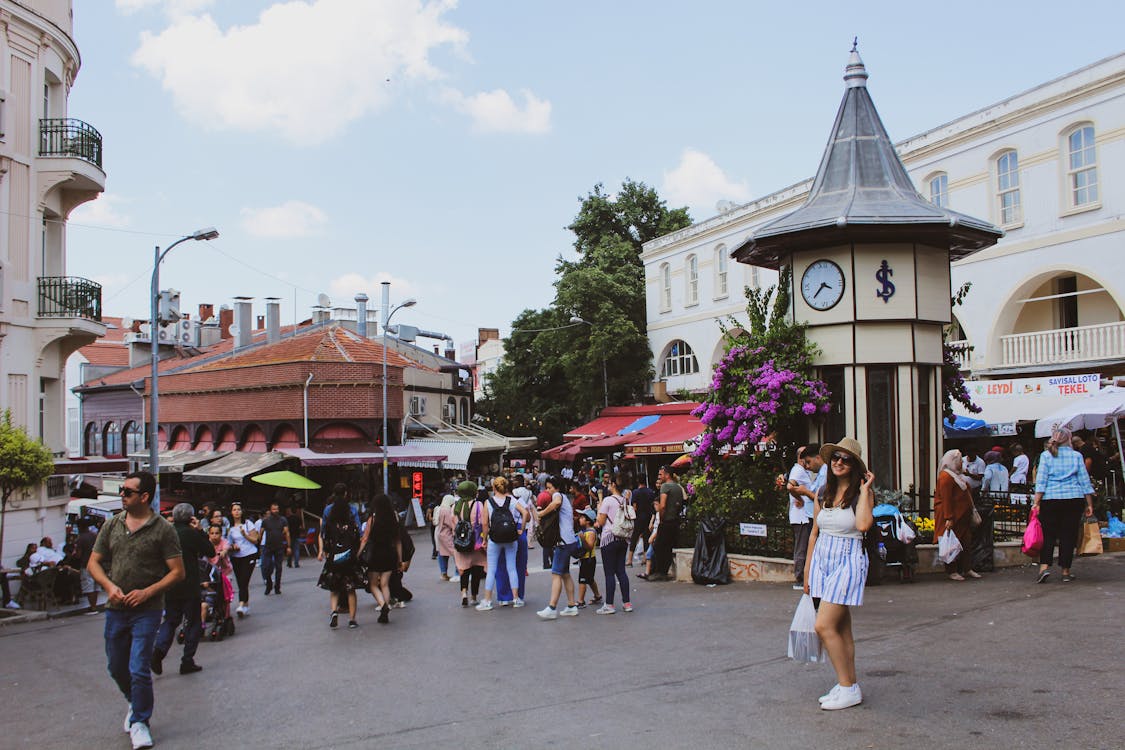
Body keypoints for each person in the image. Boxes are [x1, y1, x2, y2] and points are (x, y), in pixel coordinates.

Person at [86, 471, 185, 749]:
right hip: (116, 608)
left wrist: (147, 592)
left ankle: (141, 721)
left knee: (139, 667)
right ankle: (134, 701)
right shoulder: (112, 525)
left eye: (128, 492)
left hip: (148, 609)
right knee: (116, 666)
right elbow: (93, 563)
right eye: (122, 490)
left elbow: (177, 572)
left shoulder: (163, 530)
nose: (122, 495)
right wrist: (108, 586)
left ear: (144, 497)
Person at [802, 438, 874, 711]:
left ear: (854, 465)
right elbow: (814, 533)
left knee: (824, 626)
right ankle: (849, 684)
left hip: (848, 559)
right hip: (823, 558)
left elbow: (864, 525)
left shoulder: (860, 494)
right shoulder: (823, 492)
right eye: (835, 458)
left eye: (845, 459)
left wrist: (866, 489)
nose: (839, 462)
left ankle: (847, 687)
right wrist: (807, 571)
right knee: (842, 628)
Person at [152, 503, 215, 677]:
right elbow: (210, 551)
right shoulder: (191, 534)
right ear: (191, 518)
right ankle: (187, 660)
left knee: (171, 620)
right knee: (193, 622)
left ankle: (159, 651)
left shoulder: (166, 533)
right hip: (190, 584)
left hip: (171, 584)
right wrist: (200, 530)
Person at [1033, 427, 1095, 584]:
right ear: (1069, 439)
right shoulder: (1076, 456)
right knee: (1068, 535)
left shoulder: (1046, 456)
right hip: (1073, 498)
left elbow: (1041, 481)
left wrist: (1036, 502)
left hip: (1050, 498)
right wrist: (1089, 503)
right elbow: (1084, 480)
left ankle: (1044, 567)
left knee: (1048, 535)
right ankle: (1065, 571)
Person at [476, 476, 528, 611]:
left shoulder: (488, 502)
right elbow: (525, 513)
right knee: (512, 567)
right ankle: (516, 598)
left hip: (494, 539)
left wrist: (484, 539)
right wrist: (521, 529)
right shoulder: (511, 501)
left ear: (494, 488)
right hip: (511, 538)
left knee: (491, 569)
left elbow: (485, 523)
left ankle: (487, 600)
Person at [317, 495, 364, 629]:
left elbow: (325, 539)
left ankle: (334, 612)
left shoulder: (330, 525)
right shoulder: (351, 524)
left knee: (334, 589)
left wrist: (326, 553)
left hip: (334, 559)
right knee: (350, 590)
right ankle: (352, 620)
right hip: (349, 560)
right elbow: (357, 539)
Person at [536, 476, 581, 620]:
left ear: (556, 487)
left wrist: (541, 513)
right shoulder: (565, 498)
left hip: (563, 542)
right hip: (569, 540)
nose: (547, 491)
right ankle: (571, 605)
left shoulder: (557, 495)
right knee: (565, 574)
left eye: (549, 488)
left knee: (556, 574)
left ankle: (552, 607)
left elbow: (555, 503)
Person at [933, 450, 980, 581]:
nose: (961, 463)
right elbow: (946, 498)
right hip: (953, 517)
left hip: (962, 517)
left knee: (965, 543)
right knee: (951, 544)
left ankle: (967, 568)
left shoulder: (956, 476)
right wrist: (948, 517)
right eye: (959, 460)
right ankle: (952, 570)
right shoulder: (946, 477)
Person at [358, 494, 402, 624]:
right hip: (390, 554)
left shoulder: (372, 519)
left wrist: (357, 554)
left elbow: (365, 539)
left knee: (373, 584)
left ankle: (383, 605)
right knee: (384, 584)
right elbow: (398, 541)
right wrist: (399, 559)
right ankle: (386, 607)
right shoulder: (393, 518)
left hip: (375, 554)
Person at [594, 478, 632, 614]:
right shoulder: (625, 500)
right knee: (621, 571)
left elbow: (601, 521)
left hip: (609, 538)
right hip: (622, 537)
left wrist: (599, 510)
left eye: (610, 483)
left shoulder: (607, 501)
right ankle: (627, 602)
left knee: (609, 573)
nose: (608, 485)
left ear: (614, 485)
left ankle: (609, 604)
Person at [496, 474, 533, 605]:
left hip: (499, 533)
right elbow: (527, 517)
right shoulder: (517, 500)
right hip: (518, 532)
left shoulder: (493, 501)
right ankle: (518, 596)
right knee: (519, 565)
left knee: (501, 565)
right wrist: (521, 528)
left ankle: (503, 597)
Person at [450, 481, 486, 608]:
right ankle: (474, 597)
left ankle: (464, 593)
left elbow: (452, 524)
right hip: (475, 542)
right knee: (476, 569)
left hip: (460, 542)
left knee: (464, 570)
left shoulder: (455, 506)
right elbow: (483, 522)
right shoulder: (478, 505)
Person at [787, 446, 814, 590]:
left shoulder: (803, 471)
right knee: (801, 547)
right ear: (801, 458)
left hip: (804, 515)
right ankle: (799, 578)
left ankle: (803, 576)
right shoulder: (798, 470)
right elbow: (790, 486)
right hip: (801, 516)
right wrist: (800, 498)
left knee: (803, 546)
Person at [651, 465, 684, 581]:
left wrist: (661, 517)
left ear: (667, 474)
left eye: (661, 474)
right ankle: (663, 570)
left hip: (666, 521)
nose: (660, 477)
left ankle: (660, 571)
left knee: (659, 546)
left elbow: (663, 505)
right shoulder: (678, 487)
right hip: (675, 520)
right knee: (669, 546)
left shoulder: (665, 487)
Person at [226, 502, 260, 617]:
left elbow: (255, 540)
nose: (236, 511)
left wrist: (244, 535)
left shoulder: (247, 524)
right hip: (236, 557)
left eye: (239, 509)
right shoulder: (229, 527)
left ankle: (241, 604)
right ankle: (246, 605)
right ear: (231, 512)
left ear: (242, 511)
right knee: (241, 582)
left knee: (244, 580)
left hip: (249, 554)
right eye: (234, 509)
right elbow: (228, 544)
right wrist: (232, 547)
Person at [259, 502, 290, 596]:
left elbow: (287, 533)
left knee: (279, 567)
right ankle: (269, 583)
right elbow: (261, 533)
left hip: (279, 547)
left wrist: (289, 546)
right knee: (266, 567)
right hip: (268, 546)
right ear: (270, 510)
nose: (275, 511)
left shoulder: (283, 520)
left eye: (277, 509)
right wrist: (259, 545)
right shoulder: (266, 521)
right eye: (273, 509)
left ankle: (277, 587)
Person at [575, 509, 602, 608]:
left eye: (582, 518)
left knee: (582, 580)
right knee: (590, 579)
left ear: (588, 521)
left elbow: (590, 547)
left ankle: (581, 601)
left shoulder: (590, 532)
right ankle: (597, 595)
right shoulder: (585, 531)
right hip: (586, 559)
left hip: (588, 559)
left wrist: (582, 539)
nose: (580, 519)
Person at [627, 477, 655, 567]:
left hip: (638, 517)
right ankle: (645, 558)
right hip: (648, 517)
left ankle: (629, 559)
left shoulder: (635, 492)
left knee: (634, 537)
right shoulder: (651, 492)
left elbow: (634, 506)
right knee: (646, 537)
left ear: (638, 481)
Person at [434, 493, 457, 581]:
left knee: (442, 553)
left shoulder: (439, 508)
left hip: (439, 533)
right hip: (447, 535)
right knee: (456, 553)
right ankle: (458, 573)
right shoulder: (447, 510)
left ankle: (443, 573)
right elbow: (450, 524)